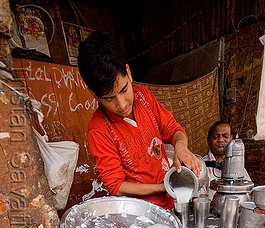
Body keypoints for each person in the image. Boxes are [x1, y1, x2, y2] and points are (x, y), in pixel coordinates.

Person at [77, 31, 201, 210]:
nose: (121, 104)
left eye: (123, 90)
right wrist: (163, 187)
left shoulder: (144, 97)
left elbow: (173, 130)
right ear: (93, 94)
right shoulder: (99, 129)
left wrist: (180, 147)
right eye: (109, 98)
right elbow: (116, 186)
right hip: (139, 214)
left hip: (171, 204)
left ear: (128, 72)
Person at [202, 121, 252, 199]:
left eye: (225, 136)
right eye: (216, 136)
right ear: (208, 140)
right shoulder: (201, 165)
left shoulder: (237, 164)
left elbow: (248, 191)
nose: (221, 140)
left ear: (231, 139)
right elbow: (200, 199)